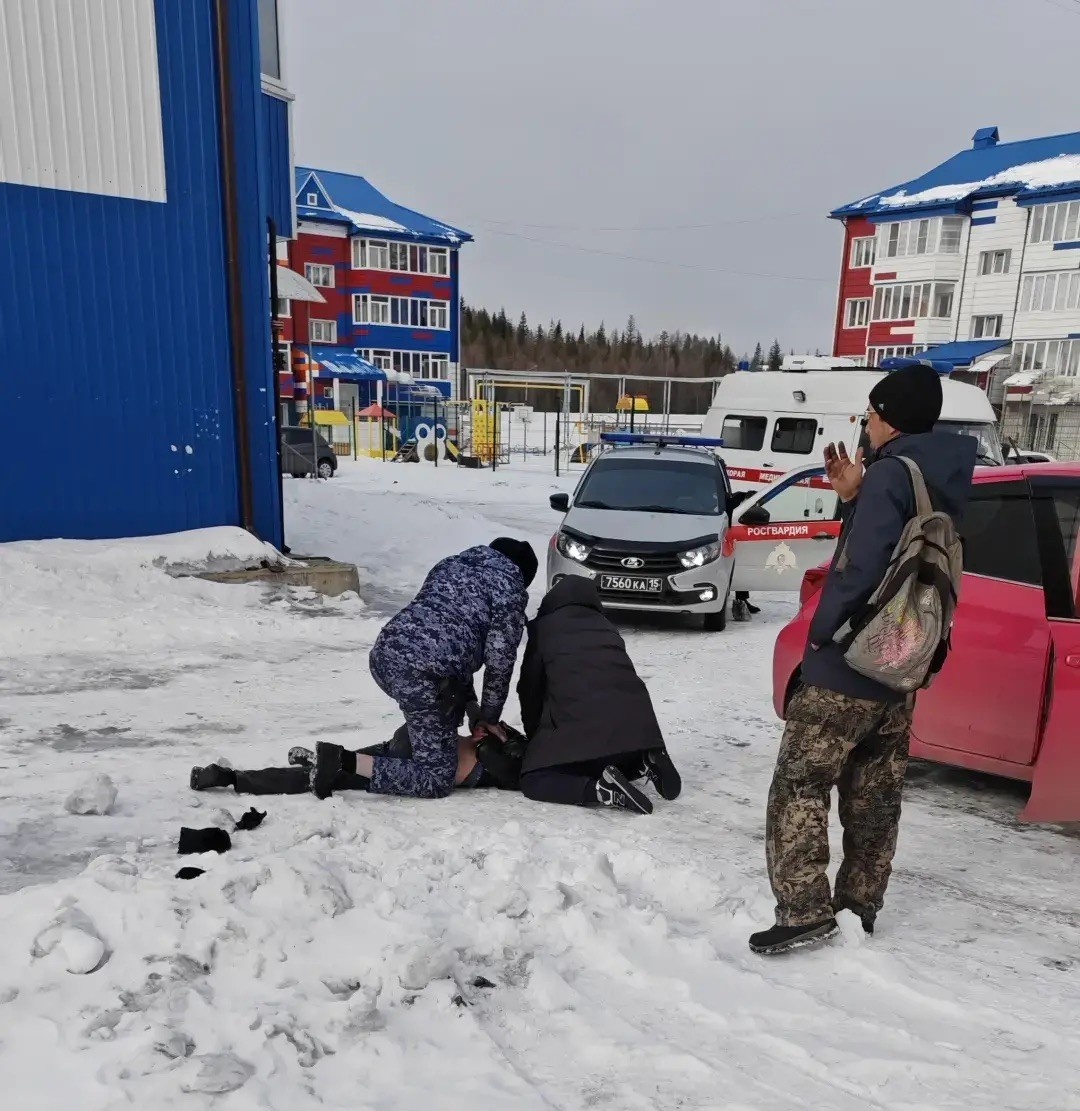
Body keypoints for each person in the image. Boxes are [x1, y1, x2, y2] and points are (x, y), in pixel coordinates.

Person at [749, 363, 976, 955]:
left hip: (850, 663)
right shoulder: (941, 475)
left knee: (799, 783)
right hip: (901, 661)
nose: (865, 425)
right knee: (876, 790)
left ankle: (803, 911)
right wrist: (853, 495)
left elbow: (861, 566)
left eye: (869, 415)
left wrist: (821, 634)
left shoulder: (889, 475)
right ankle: (859, 905)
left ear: (888, 418)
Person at [190, 538, 536, 801]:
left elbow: (449, 644)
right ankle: (343, 761)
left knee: (403, 753)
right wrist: (489, 716)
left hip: (386, 654)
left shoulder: (452, 565)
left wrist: (475, 713)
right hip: (423, 674)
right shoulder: (510, 589)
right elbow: (500, 663)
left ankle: (244, 777)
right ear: (523, 576)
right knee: (435, 778)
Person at [514, 575, 680, 814]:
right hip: (639, 731)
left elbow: (529, 690)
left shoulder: (545, 629)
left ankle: (602, 790)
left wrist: (536, 741)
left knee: (533, 779)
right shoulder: (607, 627)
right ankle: (644, 760)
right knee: (605, 753)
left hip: (585, 722)